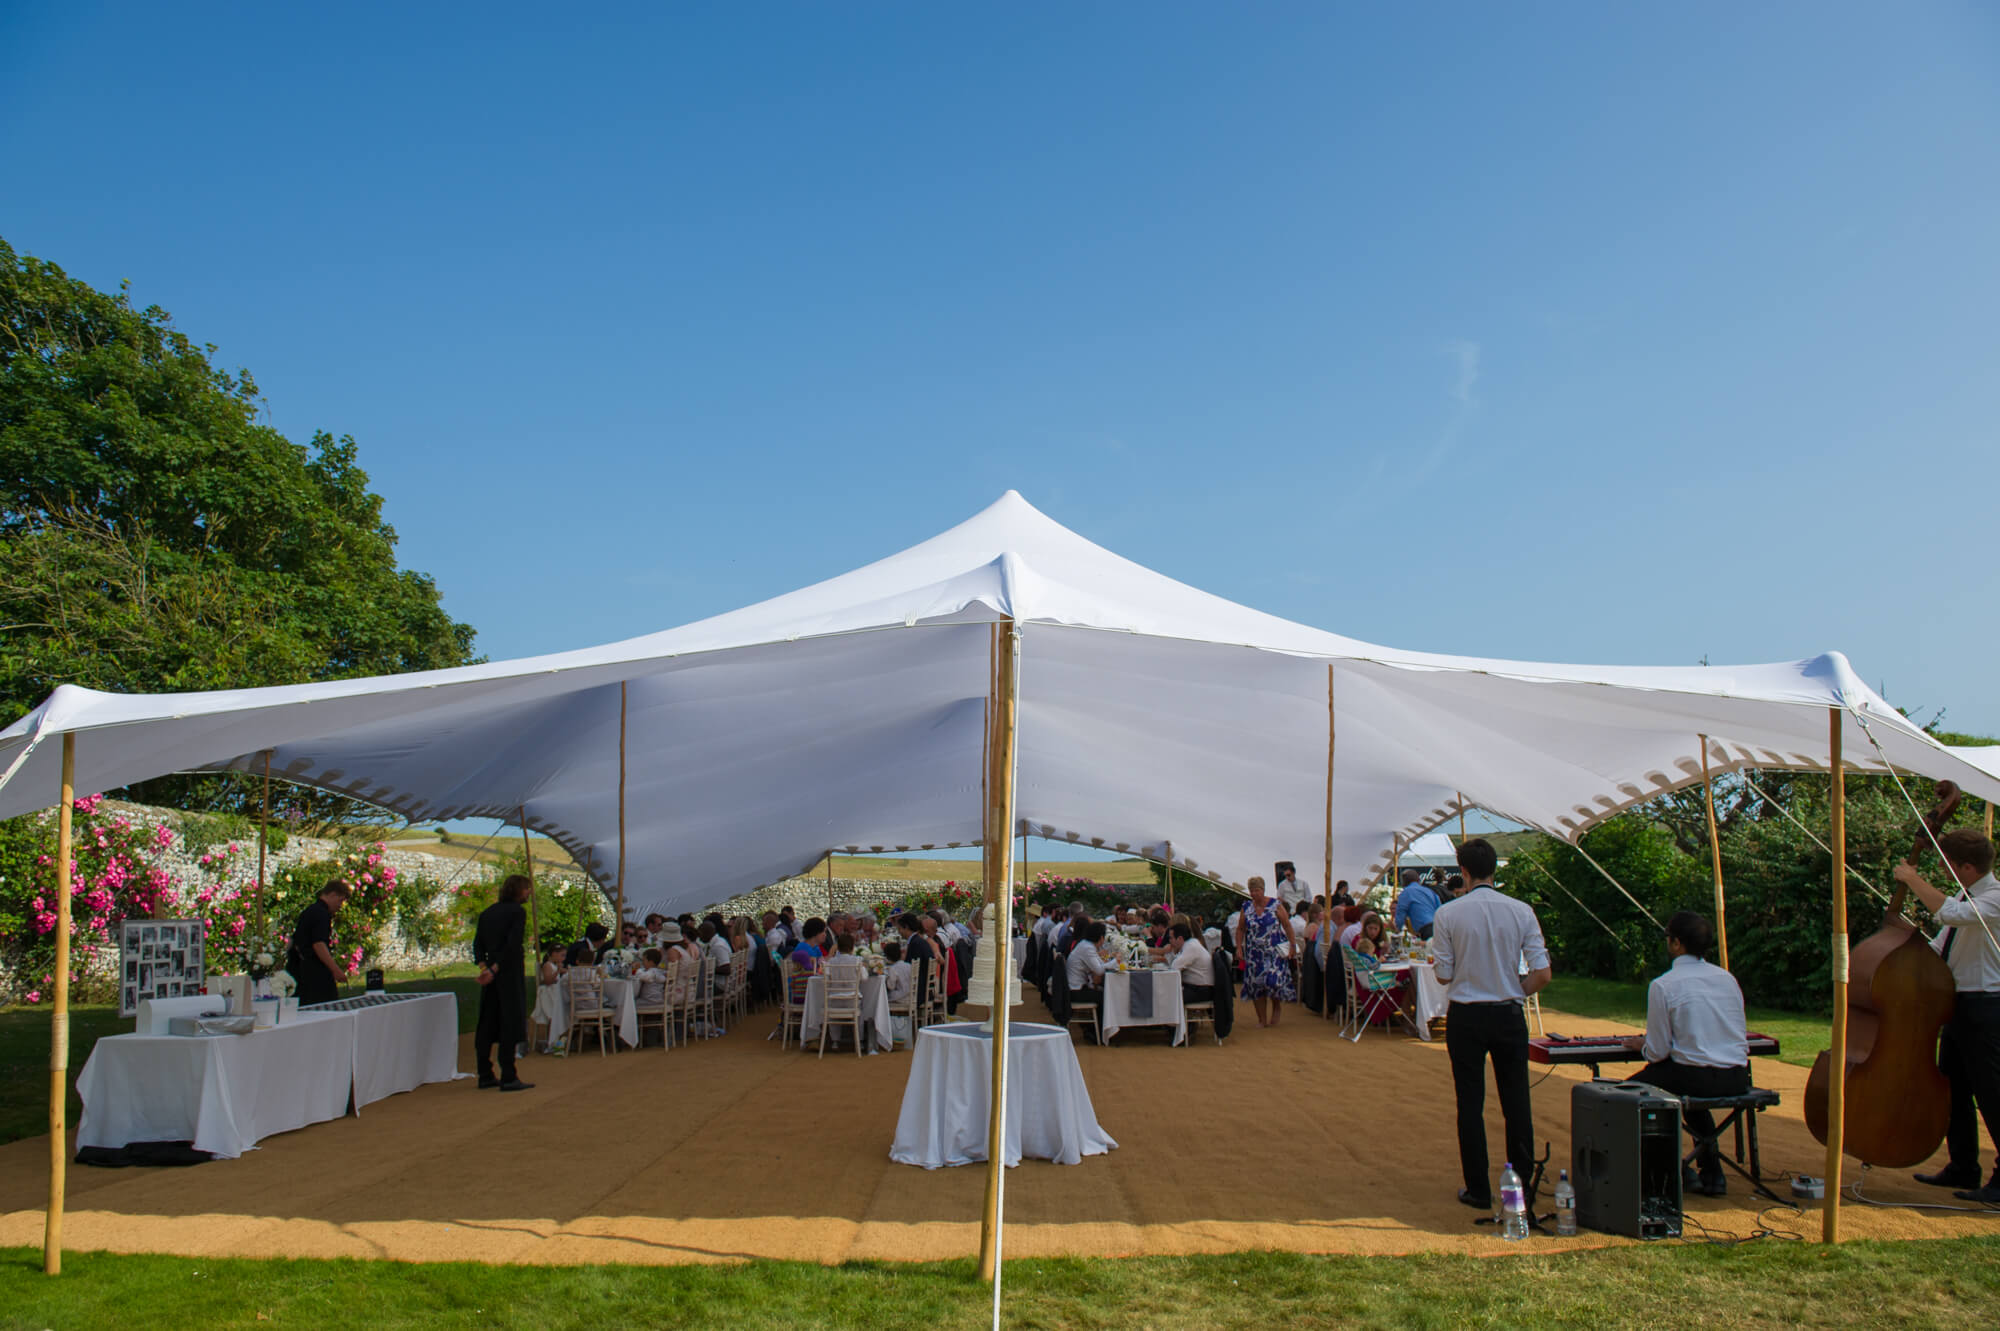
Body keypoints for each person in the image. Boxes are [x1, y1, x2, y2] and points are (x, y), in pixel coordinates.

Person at [1431, 837, 1551, 1209]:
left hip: (1467, 1014)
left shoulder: (1448, 914)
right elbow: (1543, 973)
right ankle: (1522, 1188)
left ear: (1463, 871)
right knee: (1517, 1102)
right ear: (1494, 869)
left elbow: (1444, 974)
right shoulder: (1521, 911)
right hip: (1507, 1012)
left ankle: (1478, 1189)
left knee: (1470, 1102)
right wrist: (1516, 990)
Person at [1895, 828, 2000, 1202]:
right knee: (1954, 1090)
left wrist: (1912, 879)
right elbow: (1942, 942)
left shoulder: (1995, 897)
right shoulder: (1963, 894)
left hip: (1987, 1006)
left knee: (1992, 1092)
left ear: (1967, 867)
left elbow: (1952, 915)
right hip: (1958, 1004)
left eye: (1947, 864)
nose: (1944, 870)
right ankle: (1963, 1167)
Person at [1622, 910, 1747, 1196]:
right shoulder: (1727, 979)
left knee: (1625, 1097)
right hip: (1736, 1076)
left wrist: (1642, 1044)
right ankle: (1712, 1172)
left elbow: (1658, 1052)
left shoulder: (1664, 985)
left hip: (1694, 1076)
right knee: (1692, 1099)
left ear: (1677, 943)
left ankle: (1673, 1168)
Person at [473, 874, 535, 1091]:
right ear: (518, 890)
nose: (529, 893)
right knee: (510, 1021)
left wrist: (485, 968)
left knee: (487, 1022)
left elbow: (478, 944)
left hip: (491, 973)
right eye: (526, 889)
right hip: (508, 974)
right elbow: (512, 944)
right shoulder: (517, 912)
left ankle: (484, 1073)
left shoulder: (487, 913)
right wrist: (495, 969)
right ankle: (508, 1074)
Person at [1235, 875, 1299, 1027]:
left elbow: (1287, 925)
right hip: (1254, 953)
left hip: (1273, 952)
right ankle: (1261, 1019)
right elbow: (1241, 928)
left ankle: (1276, 1007)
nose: (1254, 894)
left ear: (1263, 890)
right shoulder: (1247, 907)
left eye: (1256, 890)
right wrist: (1239, 947)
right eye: (1251, 891)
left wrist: (1292, 945)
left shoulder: (1275, 905)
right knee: (1256, 985)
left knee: (1273, 982)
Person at [285, 879, 351, 1007]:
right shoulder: (321, 914)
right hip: (313, 973)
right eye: (340, 900)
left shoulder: (310, 910)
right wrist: (336, 970)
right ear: (332, 895)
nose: (340, 906)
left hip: (299, 970)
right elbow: (318, 944)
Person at [1066, 920, 1110, 1014]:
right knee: (1106, 996)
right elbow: (1099, 970)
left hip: (1074, 987)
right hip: (1075, 990)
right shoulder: (1087, 948)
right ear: (1101, 937)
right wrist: (1116, 961)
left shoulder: (1085, 944)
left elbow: (1099, 964)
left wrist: (1107, 961)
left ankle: (1101, 1021)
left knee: (1103, 991)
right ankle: (1102, 1022)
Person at [1167, 921, 1215, 1004]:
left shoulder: (1191, 947)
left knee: (1168, 997)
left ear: (1180, 938)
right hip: (1198, 988)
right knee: (1169, 994)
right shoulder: (1190, 944)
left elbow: (1174, 967)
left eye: (1171, 938)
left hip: (1201, 990)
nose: (1169, 941)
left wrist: (1173, 950)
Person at [1393, 869, 1442, 941]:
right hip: (1438, 926)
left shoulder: (1406, 892)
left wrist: (1398, 930)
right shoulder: (1429, 891)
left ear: (1403, 882)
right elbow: (1440, 908)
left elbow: (1400, 913)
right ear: (1419, 880)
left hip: (1425, 928)